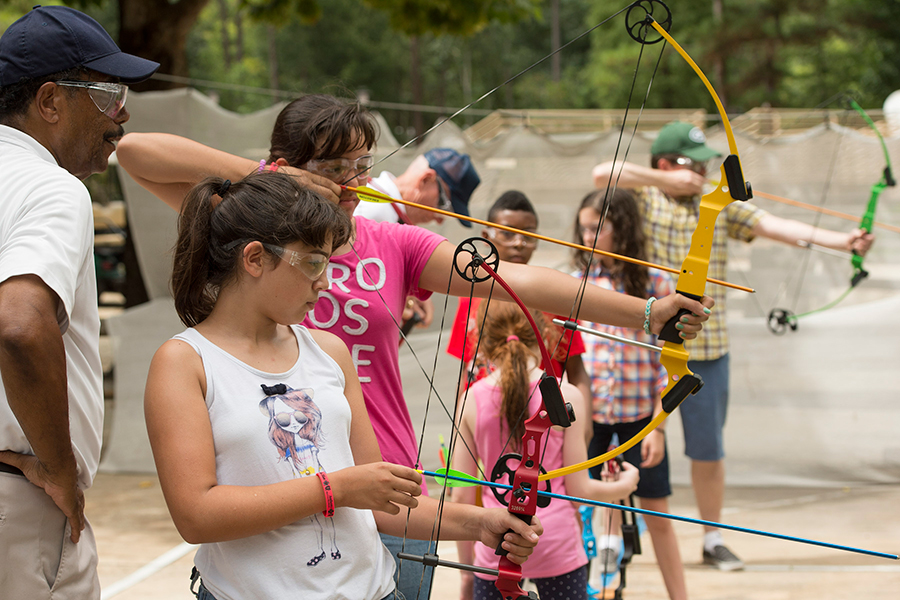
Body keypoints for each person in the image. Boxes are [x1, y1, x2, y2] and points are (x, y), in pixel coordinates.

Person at [116, 94, 713, 599]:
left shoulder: (388, 241)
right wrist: (274, 181)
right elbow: (136, 152)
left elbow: (512, 277)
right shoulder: (255, 238)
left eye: (362, 163)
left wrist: (646, 313)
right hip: (283, 503)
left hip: (387, 488)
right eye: (337, 165)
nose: (355, 180)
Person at [143, 171, 542, 600]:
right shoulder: (184, 362)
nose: (325, 282)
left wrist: (480, 523)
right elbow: (196, 516)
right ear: (255, 258)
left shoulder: (330, 351)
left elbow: (378, 499)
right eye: (313, 262)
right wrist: (337, 488)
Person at [591, 120, 875, 570]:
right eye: (692, 164)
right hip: (644, 348)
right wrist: (668, 180)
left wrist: (844, 242)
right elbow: (602, 173)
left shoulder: (716, 204)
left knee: (708, 449)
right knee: (624, 441)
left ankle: (712, 537)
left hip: (707, 346)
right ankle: (613, 535)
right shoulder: (641, 198)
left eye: (704, 165)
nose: (702, 172)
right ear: (665, 163)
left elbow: (776, 226)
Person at [0, 6, 158, 598]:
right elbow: (19, 324)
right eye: (109, 91)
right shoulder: (50, 186)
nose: (122, 113)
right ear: (49, 101)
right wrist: (59, 467)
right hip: (20, 507)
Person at [450, 300, 639, 600]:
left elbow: (460, 494)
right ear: (544, 339)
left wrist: (466, 570)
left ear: (482, 347)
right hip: (556, 544)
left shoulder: (470, 398)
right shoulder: (566, 394)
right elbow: (578, 492)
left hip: (496, 547)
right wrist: (624, 486)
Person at [573, 189, 687, 600]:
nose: (588, 237)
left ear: (623, 231)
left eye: (597, 228)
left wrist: (658, 426)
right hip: (591, 421)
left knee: (657, 515)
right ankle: (580, 589)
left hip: (642, 419)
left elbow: (671, 364)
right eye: (583, 228)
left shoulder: (656, 283)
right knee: (576, 511)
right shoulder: (578, 283)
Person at [445, 190, 590, 398]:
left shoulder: (553, 298)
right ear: (487, 237)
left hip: (542, 417)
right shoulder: (470, 298)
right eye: (507, 233)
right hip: (486, 415)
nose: (519, 242)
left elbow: (576, 372)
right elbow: (467, 371)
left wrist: (583, 426)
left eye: (528, 235)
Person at [354, 147, 480, 333]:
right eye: (443, 205)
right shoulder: (371, 212)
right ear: (426, 179)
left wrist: (411, 295)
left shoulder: (386, 210)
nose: (439, 218)